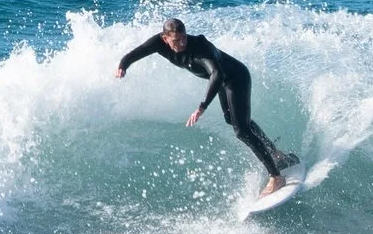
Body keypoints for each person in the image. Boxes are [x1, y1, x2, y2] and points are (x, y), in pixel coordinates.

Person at [115, 17, 299, 193]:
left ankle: (276, 177)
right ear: (165, 38)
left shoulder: (201, 47)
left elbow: (216, 74)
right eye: (177, 40)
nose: (182, 43)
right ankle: (277, 154)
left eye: (184, 38)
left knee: (241, 130)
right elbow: (137, 52)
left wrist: (202, 107)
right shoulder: (157, 42)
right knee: (233, 121)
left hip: (236, 78)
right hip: (224, 82)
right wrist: (123, 65)